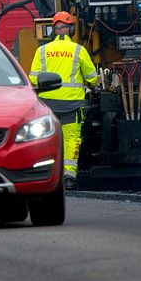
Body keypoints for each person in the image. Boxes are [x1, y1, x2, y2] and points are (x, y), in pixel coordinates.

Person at [29, 11, 98, 186]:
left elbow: (33, 79)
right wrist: (91, 86)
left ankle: (45, 174)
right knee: (71, 139)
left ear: (54, 31)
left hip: (47, 106)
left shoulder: (42, 51)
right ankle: (69, 177)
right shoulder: (78, 50)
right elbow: (92, 78)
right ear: (71, 30)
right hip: (71, 105)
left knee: (45, 138)